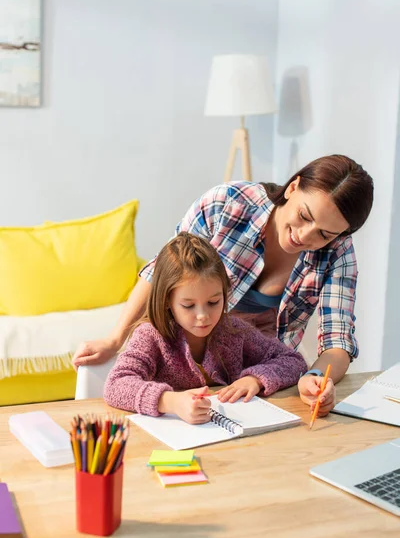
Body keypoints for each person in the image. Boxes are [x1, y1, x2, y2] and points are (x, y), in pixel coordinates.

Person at [74, 154, 374, 417]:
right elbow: (161, 270)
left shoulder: (338, 251)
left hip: (257, 382)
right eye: (303, 216)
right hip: (193, 371)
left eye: (324, 234)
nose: (305, 236)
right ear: (293, 187)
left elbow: (336, 341)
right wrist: (115, 339)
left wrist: (316, 377)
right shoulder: (228, 203)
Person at [103, 232, 307, 422]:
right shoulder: (151, 335)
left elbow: (292, 360)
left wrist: (256, 379)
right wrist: (171, 402)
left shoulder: (233, 330)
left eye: (213, 302)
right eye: (188, 305)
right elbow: (116, 385)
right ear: (167, 300)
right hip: (173, 445)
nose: (203, 316)